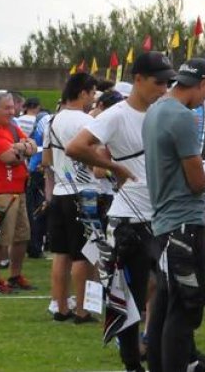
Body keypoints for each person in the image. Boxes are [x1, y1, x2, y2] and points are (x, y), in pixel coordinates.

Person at [66, 51, 175, 372]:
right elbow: (76, 147)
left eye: (168, 82)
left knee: (166, 291)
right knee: (130, 295)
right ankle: (131, 362)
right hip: (129, 218)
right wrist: (115, 166)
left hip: (162, 216)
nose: (163, 88)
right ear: (138, 80)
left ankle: (158, 352)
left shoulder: (162, 112)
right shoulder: (116, 114)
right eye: (158, 82)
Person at [143, 58, 205, 372]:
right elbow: (196, 182)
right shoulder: (182, 117)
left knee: (164, 308)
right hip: (183, 224)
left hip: (164, 221)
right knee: (183, 310)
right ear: (204, 84)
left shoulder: (155, 110)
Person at [43, 73, 101, 323]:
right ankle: (82, 310)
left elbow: (46, 160)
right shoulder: (86, 121)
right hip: (84, 191)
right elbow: (97, 161)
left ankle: (61, 306)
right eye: (92, 93)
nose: (93, 98)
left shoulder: (52, 121)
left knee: (61, 254)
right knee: (83, 254)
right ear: (83, 93)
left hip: (60, 191)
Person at [0, 90, 39, 294]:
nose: (13, 111)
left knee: (22, 236)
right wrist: (22, 149)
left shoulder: (12, 128)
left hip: (17, 190)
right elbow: (8, 158)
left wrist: (19, 148)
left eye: (13, 107)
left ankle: (14, 276)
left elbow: (33, 147)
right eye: (7, 108)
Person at [20, 97, 51, 259]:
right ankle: (35, 246)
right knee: (40, 210)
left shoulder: (38, 121)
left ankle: (34, 245)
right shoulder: (47, 121)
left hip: (31, 169)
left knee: (33, 210)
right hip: (38, 169)